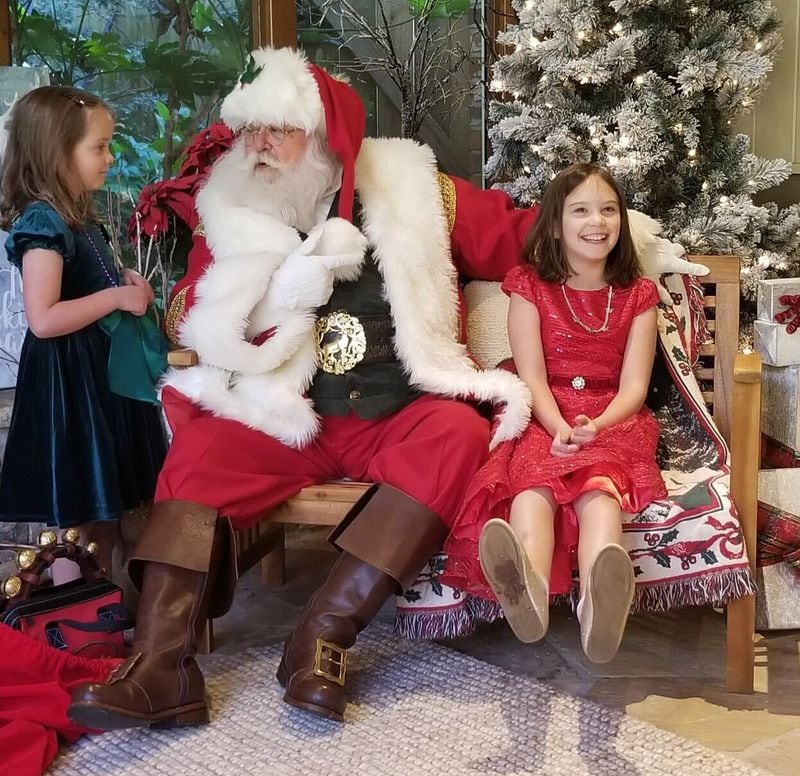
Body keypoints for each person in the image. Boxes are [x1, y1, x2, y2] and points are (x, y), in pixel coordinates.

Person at [67, 47, 701, 730]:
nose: (260, 147)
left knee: (458, 433)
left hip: (398, 410)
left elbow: (523, 235)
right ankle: (163, 665)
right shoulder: (230, 210)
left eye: (278, 129)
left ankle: (322, 640)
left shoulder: (415, 191)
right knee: (198, 456)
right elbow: (196, 308)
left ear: (324, 136)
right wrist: (274, 294)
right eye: (250, 131)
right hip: (289, 413)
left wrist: (620, 238)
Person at [440, 163, 668, 664]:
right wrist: (558, 425)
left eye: (609, 210)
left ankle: (600, 605)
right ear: (556, 223)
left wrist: (598, 425)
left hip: (612, 415)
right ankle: (530, 590)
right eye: (581, 210)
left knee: (600, 489)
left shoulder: (637, 294)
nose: (598, 221)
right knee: (533, 484)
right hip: (545, 409)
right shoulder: (530, 286)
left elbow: (635, 385)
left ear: (621, 221)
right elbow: (532, 376)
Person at [0, 86, 167, 584]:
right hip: (69, 381)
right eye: (99, 147)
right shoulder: (43, 221)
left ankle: (108, 612)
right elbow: (44, 318)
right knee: (80, 516)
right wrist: (115, 299)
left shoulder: (80, 214)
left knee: (106, 509)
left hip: (100, 373)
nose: (111, 158)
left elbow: (91, 285)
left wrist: (126, 287)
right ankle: (77, 622)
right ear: (56, 152)